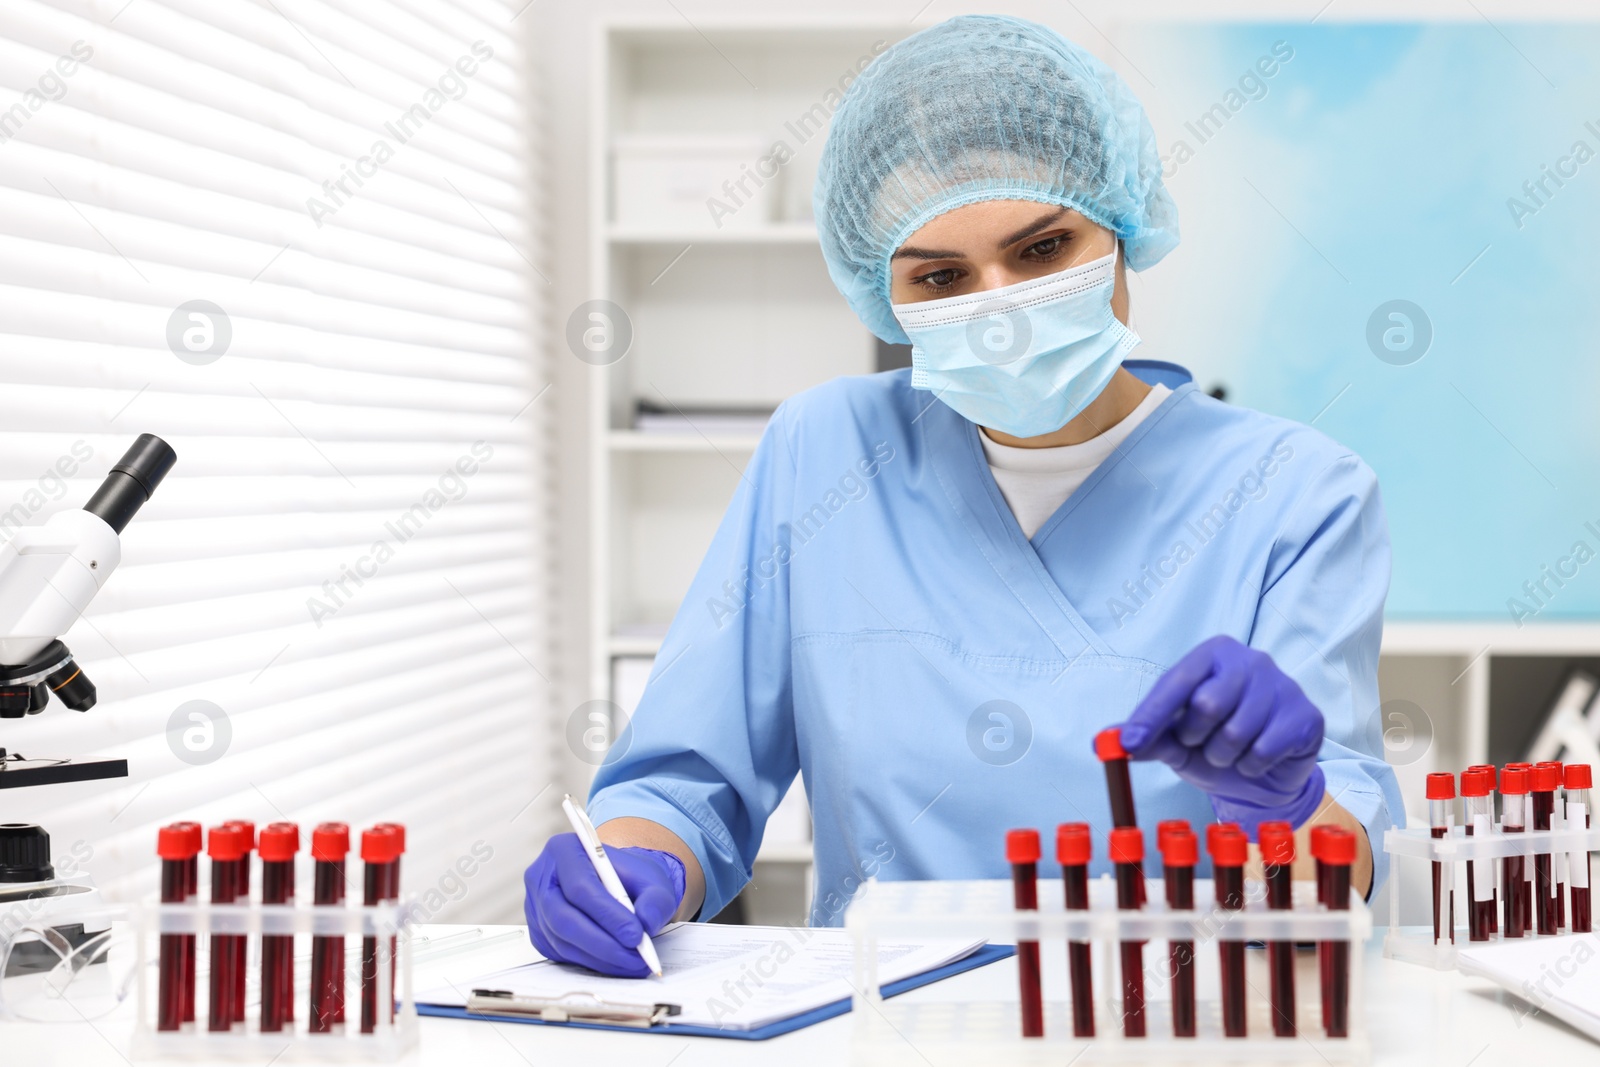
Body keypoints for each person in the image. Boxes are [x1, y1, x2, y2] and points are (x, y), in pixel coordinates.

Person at [525, 14, 1403, 977]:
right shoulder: (823, 453)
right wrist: (634, 859)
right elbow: (691, 775)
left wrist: (1286, 807)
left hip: (1176, 1022)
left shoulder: (1297, 494)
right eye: (942, 276)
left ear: (1121, 227)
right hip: (878, 1020)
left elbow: (1335, 867)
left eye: (1041, 250)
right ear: (883, 294)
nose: (995, 305)